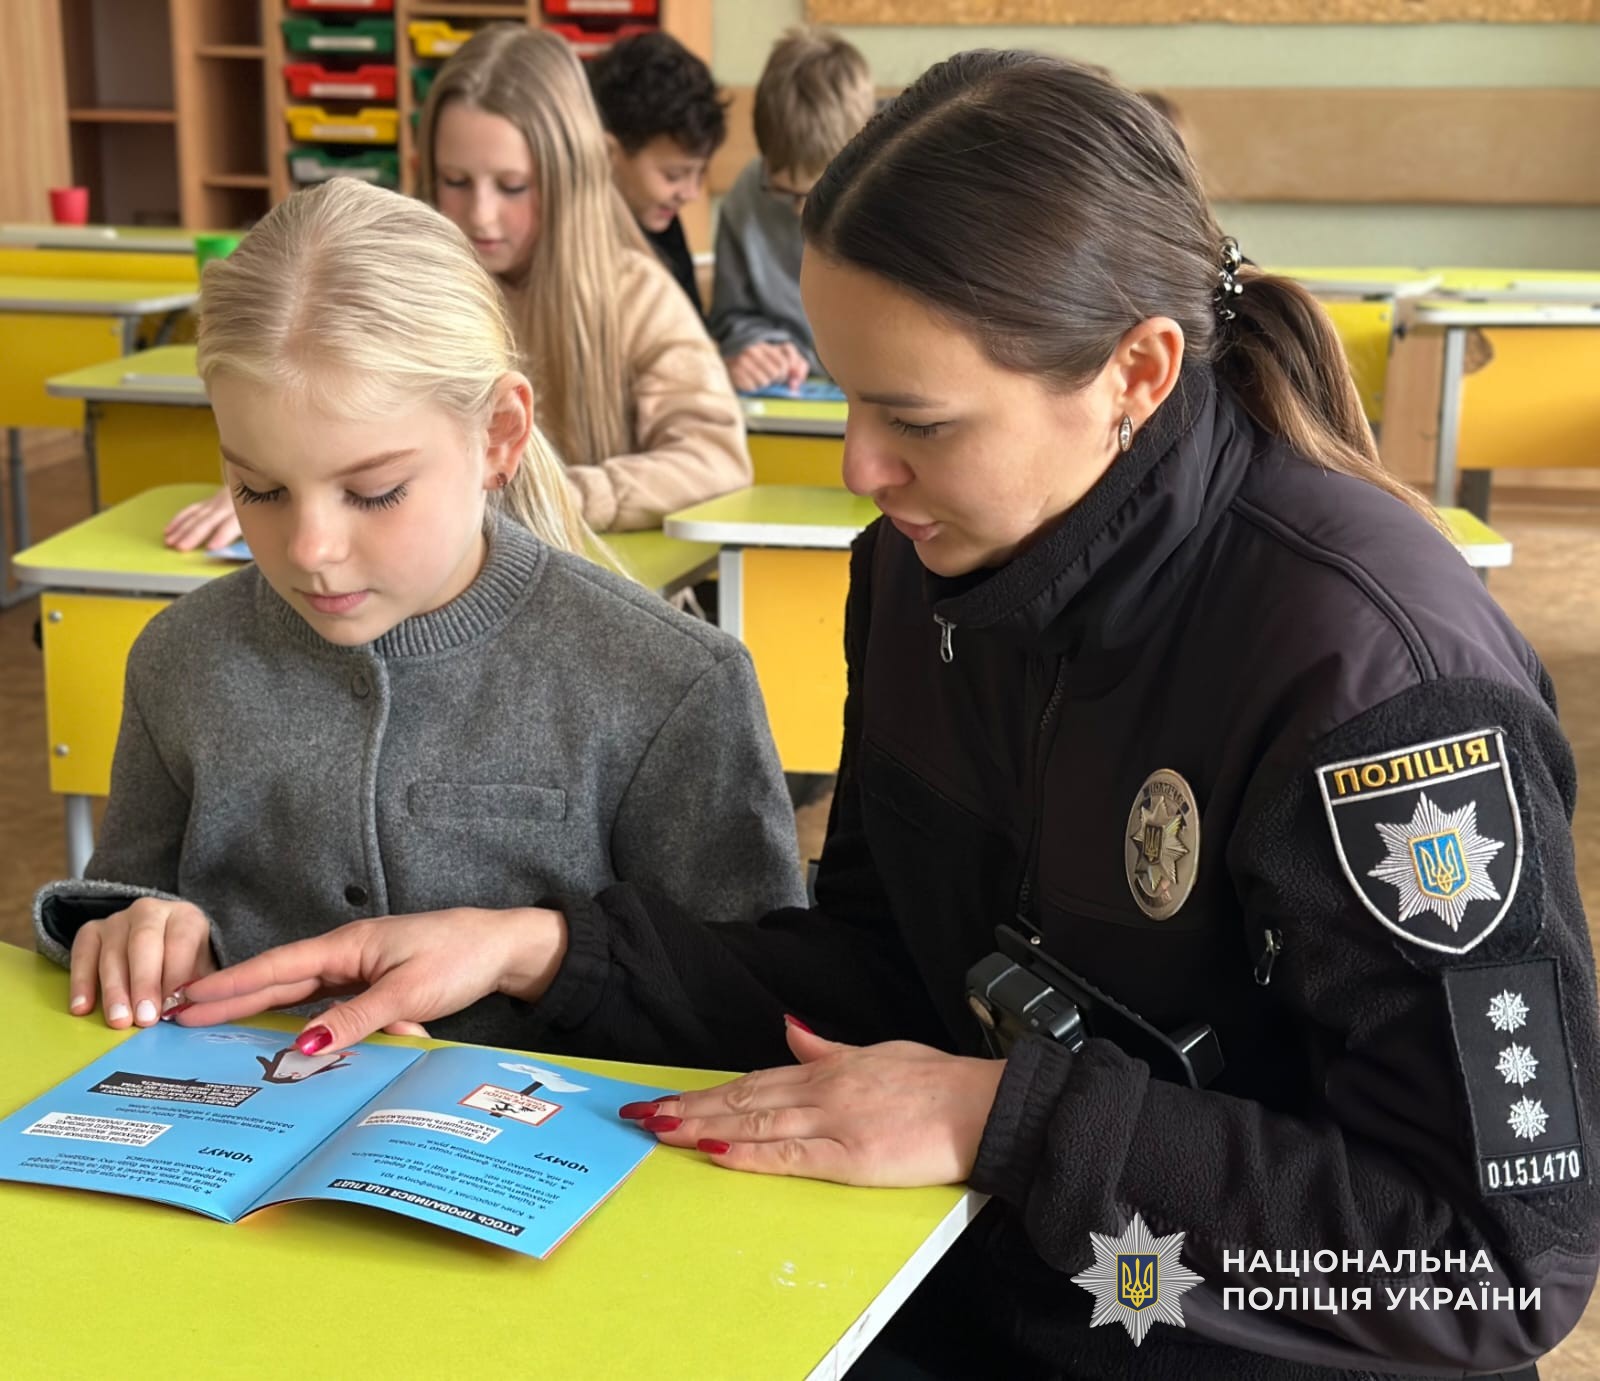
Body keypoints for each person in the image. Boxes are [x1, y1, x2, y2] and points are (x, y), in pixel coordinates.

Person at [172, 53, 1598, 1380]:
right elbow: (878, 966)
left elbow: (1492, 1269)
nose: (860, 466)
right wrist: (551, 953)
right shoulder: (922, 577)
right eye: (848, 395)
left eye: (919, 420)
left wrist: (1002, 1115)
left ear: (1137, 374)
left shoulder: (1385, 692)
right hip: (985, 1287)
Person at [34, 177, 804, 1045]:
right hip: (234, 1153)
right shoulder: (180, 656)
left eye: (374, 491)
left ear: (499, 436)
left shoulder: (670, 682)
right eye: (259, 487)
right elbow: (132, 893)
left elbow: (755, 1001)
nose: (309, 547)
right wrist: (133, 924)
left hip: (554, 1168)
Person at [167, 25, 749, 547]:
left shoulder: (635, 294)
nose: (482, 216)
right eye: (455, 181)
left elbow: (715, 457)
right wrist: (280, 490)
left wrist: (553, 498)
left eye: (514, 186)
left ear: (568, 177)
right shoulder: (394, 292)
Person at [709, 26, 872, 394]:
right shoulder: (746, 196)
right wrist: (758, 352)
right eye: (783, 192)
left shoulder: (900, 199)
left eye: (818, 193)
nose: (801, 213)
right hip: (787, 396)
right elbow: (732, 316)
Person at [587, 30, 727, 316]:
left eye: (700, 173)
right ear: (609, 153)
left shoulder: (664, 228)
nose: (691, 193)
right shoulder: (575, 242)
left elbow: (693, 330)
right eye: (674, 175)